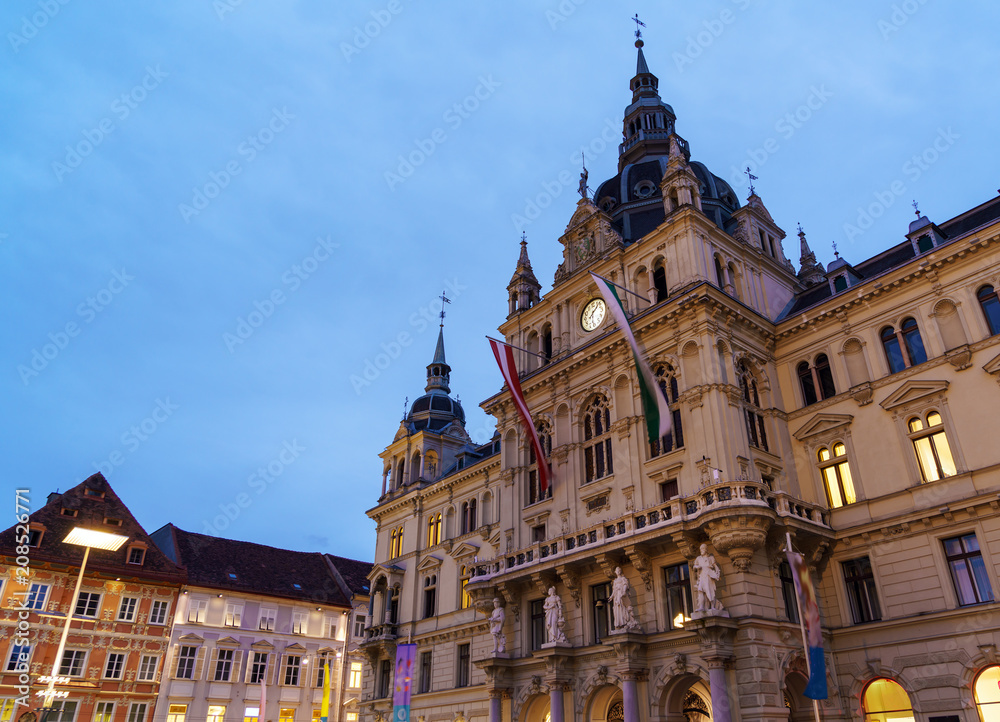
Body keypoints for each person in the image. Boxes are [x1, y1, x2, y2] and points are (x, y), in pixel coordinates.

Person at [693, 543, 723, 612]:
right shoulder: (698, 558)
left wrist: (717, 574)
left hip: (709, 576)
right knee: (701, 591)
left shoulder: (710, 558)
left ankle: (712, 606)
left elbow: (715, 567)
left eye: (703, 549)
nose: (701, 550)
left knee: (710, 591)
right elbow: (694, 567)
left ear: (706, 550)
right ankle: (701, 607)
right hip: (702, 576)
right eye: (700, 549)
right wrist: (697, 567)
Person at [610, 567, 638, 631]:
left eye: (619, 570)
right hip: (617, 596)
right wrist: (611, 596)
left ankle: (625, 622)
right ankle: (619, 624)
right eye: (617, 570)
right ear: (615, 572)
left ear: (620, 571)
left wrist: (624, 591)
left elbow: (625, 585)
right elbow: (614, 590)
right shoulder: (615, 581)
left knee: (623, 607)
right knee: (618, 609)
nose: (618, 571)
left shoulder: (623, 578)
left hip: (621, 594)